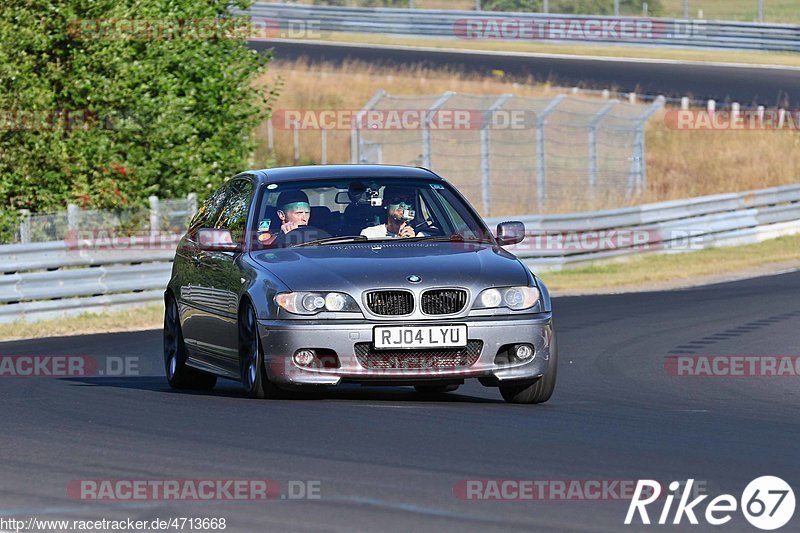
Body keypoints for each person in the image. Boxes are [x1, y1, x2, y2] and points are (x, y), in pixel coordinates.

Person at [360, 186, 425, 239]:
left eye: (408, 201)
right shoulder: (370, 235)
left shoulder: (422, 236)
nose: (403, 205)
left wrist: (414, 242)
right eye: (396, 200)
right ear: (385, 204)